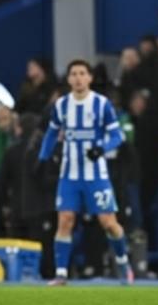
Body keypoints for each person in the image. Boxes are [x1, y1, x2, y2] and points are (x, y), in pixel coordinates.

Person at [38, 59, 133, 285]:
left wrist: (102, 148)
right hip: (69, 175)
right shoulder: (61, 105)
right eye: (74, 74)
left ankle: (123, 261)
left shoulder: (101, 104)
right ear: (68, 79)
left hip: (96, 175)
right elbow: (51, 133)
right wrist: (42, 158)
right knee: (65, 220)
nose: (78, 78)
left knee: (108, 223)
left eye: (82, 73)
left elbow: (117, 136)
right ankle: (61, 274)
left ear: (90, 78)